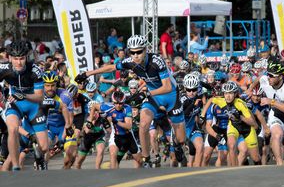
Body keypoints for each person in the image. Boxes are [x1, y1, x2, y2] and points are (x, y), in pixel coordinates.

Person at [75, 35, 185, 168]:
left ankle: (177, 145)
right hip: (154, 96)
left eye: (139, 51)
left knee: (181, 139)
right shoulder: (130, 62)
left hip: (171, 96)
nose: (136, 55)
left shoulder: (156, 61)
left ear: (145, 50)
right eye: (133, 52)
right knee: (143, 125)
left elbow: (167, 87)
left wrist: (146, 93)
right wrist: (87, 74)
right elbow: (111, 68)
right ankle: (146, 159)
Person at [0, 40, 48, 171]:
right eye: (15, 59)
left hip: (33, 105)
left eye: (21, 58)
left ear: (27, 57)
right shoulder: (4, 69)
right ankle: (16, 167)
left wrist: (24, 96)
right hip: (15, 104)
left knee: (44, 147)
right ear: (9, 58)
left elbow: (40, 97)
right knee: (12, 129)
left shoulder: (35, 70)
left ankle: (38, 156)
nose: (19, 62)